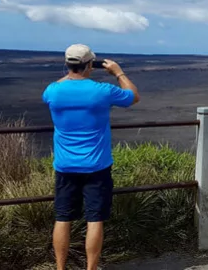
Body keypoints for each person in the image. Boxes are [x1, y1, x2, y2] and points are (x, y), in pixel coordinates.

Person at [42, 44, 139, 270]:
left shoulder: (52, 91)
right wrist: (118, 72)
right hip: (97, 166)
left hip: (65, 166)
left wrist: (72, 73)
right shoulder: (102, 91)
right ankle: (91, 268)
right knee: (94, 219)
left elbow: (58, 86)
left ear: (66, 64)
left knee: (62, 217)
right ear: (89, 65)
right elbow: (133, 96)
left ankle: (60, 267)